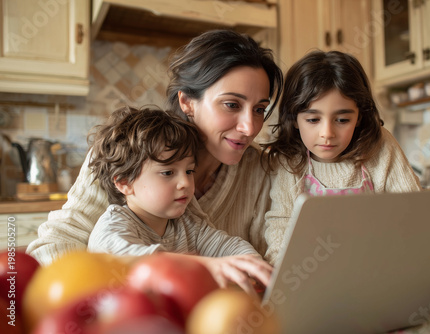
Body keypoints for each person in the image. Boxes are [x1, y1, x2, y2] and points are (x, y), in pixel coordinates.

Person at [26, 30, 283, 291]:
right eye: (231, 105)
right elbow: (57, 246)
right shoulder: (126, 155)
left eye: (260, 109)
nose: (251, 128)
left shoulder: (263, 170)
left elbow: (256, 256)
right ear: (187, 102)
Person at [262, 50, 422, 265]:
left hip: (377, 267)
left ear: (359, 117)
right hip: (308, 273)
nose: (327, 133)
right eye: (312, 119)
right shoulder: (289, 160)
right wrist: (283, 270)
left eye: (342, 119)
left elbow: (413, 210)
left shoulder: (379, 145)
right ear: (293, 119)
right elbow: (281, 225)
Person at [86, 106, 271, 291]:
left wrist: (252, 265)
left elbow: (228, 246)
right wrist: (206, 265)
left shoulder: (188, 224)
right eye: (168, 172)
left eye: (189, 171)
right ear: (124, 182)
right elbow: (127, 260)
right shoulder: (113, 226)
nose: (185, 182)